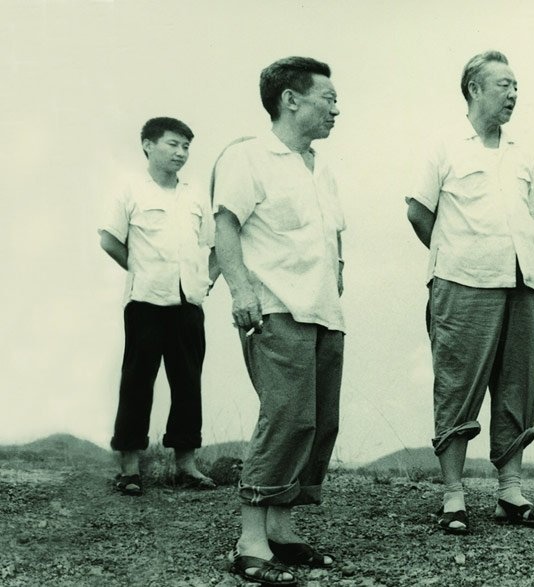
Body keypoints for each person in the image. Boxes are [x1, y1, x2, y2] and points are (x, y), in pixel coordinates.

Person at [406, 50, 534, 535]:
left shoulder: (523, 152)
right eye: (503, 85)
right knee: (457, 384)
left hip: (522, 282)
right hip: (462, 283)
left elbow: (529, 215)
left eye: (516, 87)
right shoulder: (444, 146)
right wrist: (456, 256)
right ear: (473, 89)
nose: (513, 95)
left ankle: (510, 492)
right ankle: (453, 497)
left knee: (519, 386)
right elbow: (418, 212)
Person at [213, 56, 345, 586]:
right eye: (328, 99)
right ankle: (250, 540)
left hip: (324, 311)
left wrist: (339, 276)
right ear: (291, 100)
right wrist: (240, 291)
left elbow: (333, 235)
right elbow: (226, 226)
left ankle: (281, 529)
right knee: (286, 416)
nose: (336, 109)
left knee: (319, 422)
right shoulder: (248, 157)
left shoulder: (320, 167)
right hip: (275, 306)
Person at [99, 117, 219, 497]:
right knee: (137, 381)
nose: (181, 153)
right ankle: (129, 469)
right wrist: (141, 270)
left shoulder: (195, 195)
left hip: (188, 302)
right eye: (173, 144)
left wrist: (204, 281)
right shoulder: (130, 189)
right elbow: (109, 240)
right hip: (145, 300)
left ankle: (186, 466)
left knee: (188, 382)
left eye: (186, 147)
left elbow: (215, 245)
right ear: (148, 145)